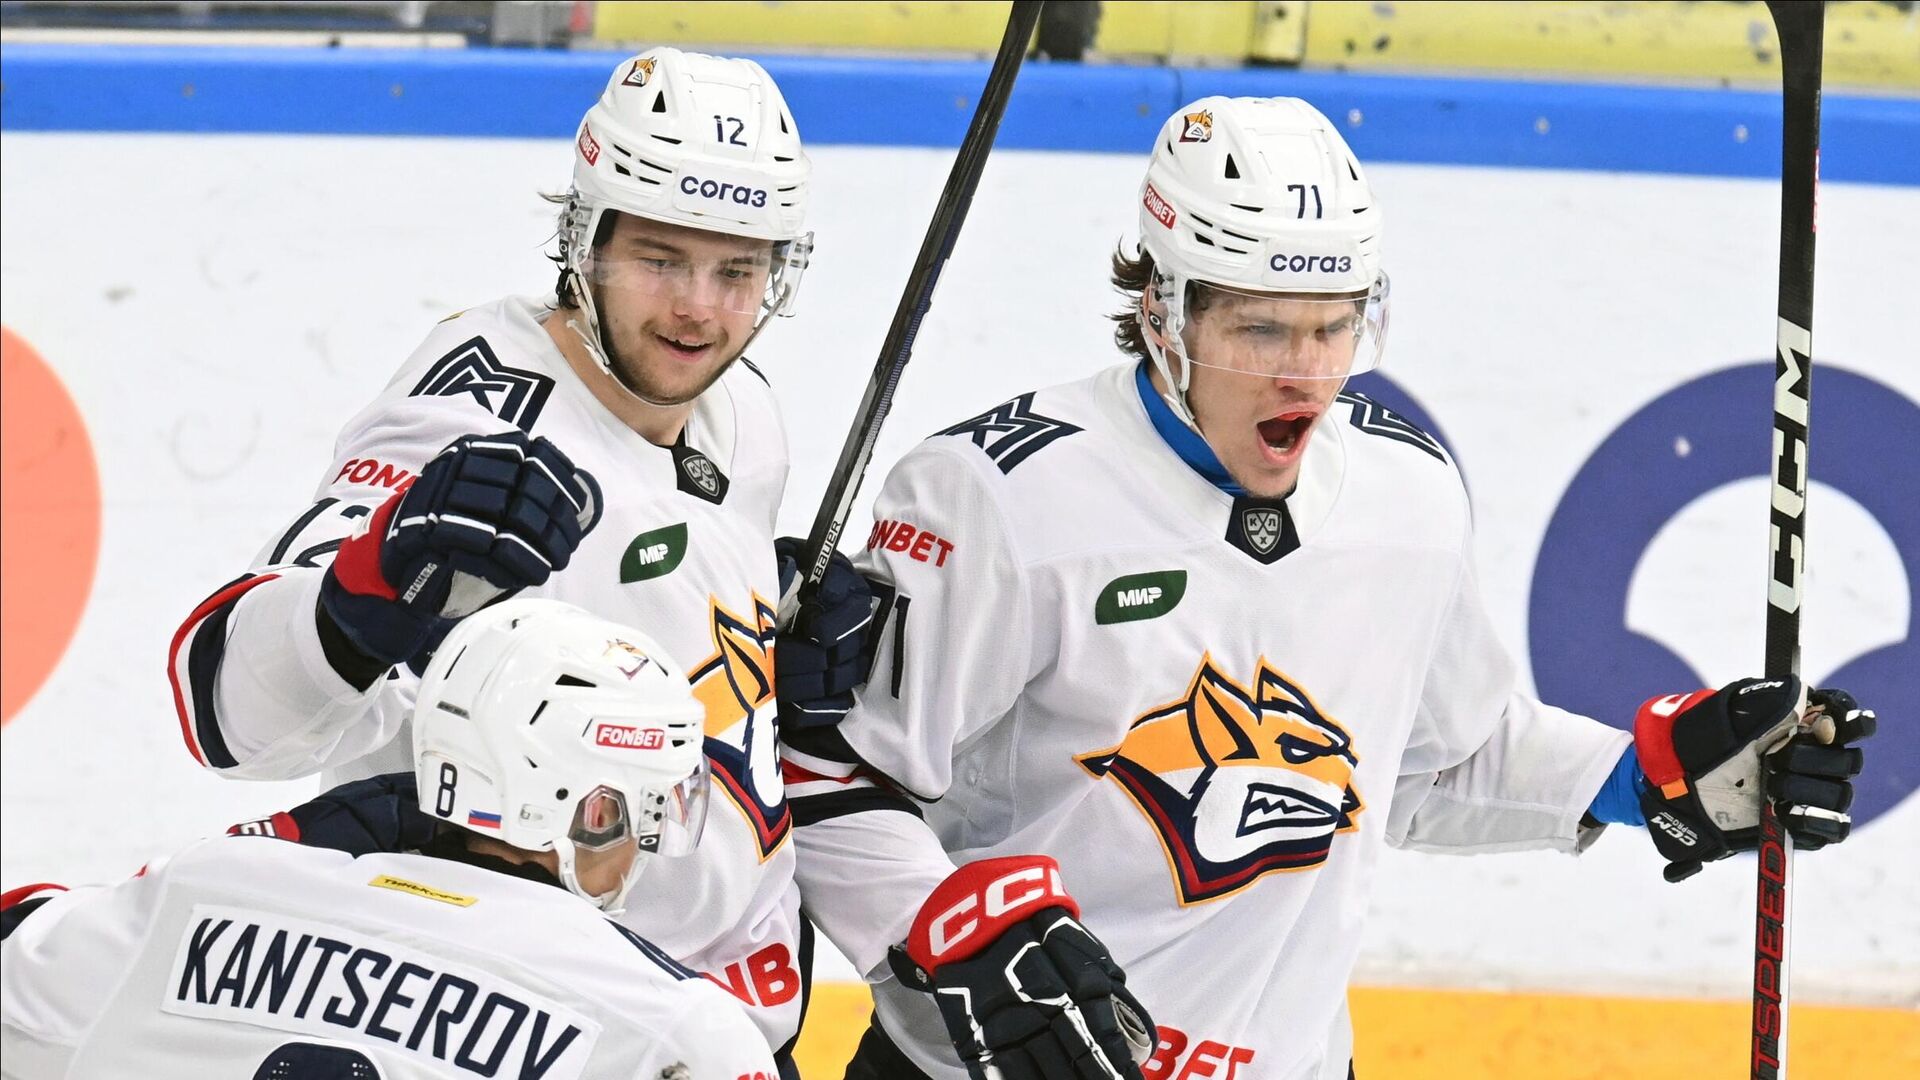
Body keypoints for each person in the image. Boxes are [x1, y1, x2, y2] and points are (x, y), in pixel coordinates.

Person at [776, 97, 1877, 1080]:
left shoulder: (1406, 493)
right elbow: (833, 775)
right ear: (1162, 311)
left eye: (1334, 324)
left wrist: (1644, 781)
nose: (1304, 373)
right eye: (1259, 329)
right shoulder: (997, 499)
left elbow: (1429, 762)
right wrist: (943, 926)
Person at [165, 46, 835, 1072]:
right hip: (529, 1018)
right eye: (661, 259)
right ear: (583, 240)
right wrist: (366, 589)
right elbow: (225, 709)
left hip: (721, 1017)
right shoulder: (473, 409)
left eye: (737, 271)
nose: (699, 309)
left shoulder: (743, 414)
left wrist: (773, 635)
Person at [4, 599, 779, 1079]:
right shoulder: (676, 1027)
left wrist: (266, 847)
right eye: (653, 808)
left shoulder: (199, 889)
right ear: (597, 812)